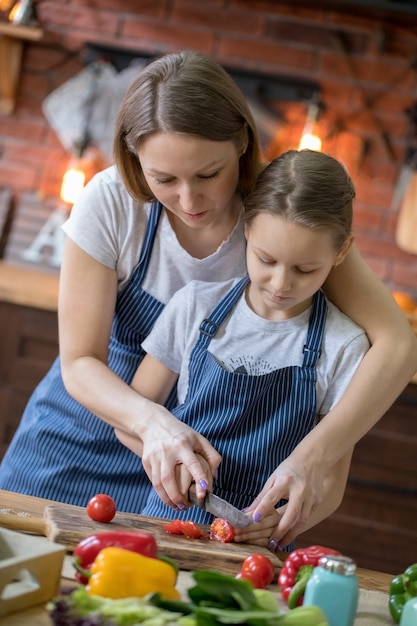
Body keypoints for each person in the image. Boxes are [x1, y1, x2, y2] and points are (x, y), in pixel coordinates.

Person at [0, 50, 415, 548]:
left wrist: (315, 457)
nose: (190, 201)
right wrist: (155, 426)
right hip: (77, 438)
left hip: (200, 483)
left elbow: (395, 344)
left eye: (208, 174)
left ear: (242, 143)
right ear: (135, 160)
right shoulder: (110, 202)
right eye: (165, 179)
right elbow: (81, 362)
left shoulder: (279, 220)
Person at [131, 149, 370, 550]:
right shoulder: (195, 306)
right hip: (161, 525)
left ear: (341, 252)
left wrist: (280, 522)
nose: (280, 283)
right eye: (266, 259)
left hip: (257, 548)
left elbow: (330, 483)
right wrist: (164, 454)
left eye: (305, 269)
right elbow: (131, 416)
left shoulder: (343, 346)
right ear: (247, 229)